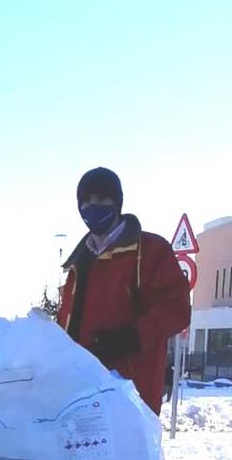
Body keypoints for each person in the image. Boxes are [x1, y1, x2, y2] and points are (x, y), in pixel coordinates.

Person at [58, 168, 191, 414]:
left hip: (131, 395)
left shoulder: (150, 250)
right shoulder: (78, 263)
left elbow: (176, 309)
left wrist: (131, 337)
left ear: (117, 202)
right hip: (80, 397)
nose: (91, 206)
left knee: (128, 451)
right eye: (85, 201)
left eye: (100, 199)